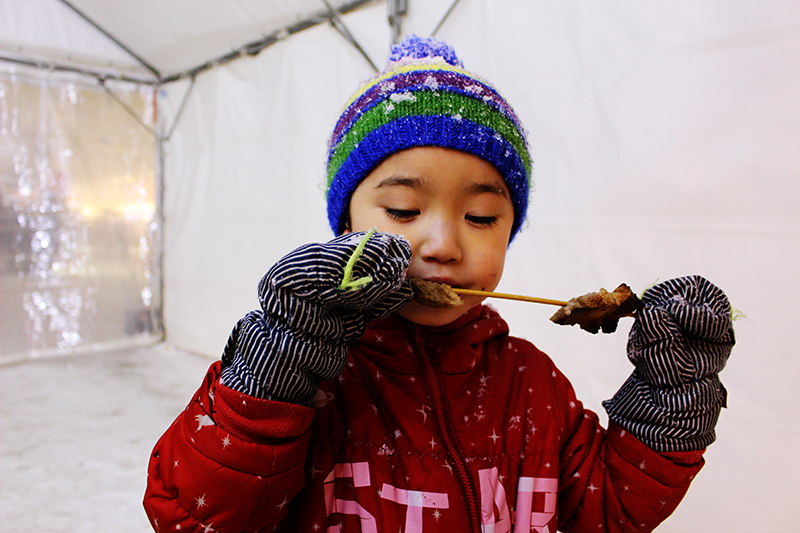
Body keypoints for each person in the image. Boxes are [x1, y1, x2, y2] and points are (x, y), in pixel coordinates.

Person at [143, 36, 734, 533]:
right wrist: (270, 386)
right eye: (402, 210)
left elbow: (604, 513)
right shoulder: (313, 380)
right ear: (347, 226)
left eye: (481, 218)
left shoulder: (534, 386)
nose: (445, 244)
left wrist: (666, 407)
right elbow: (195, 518)